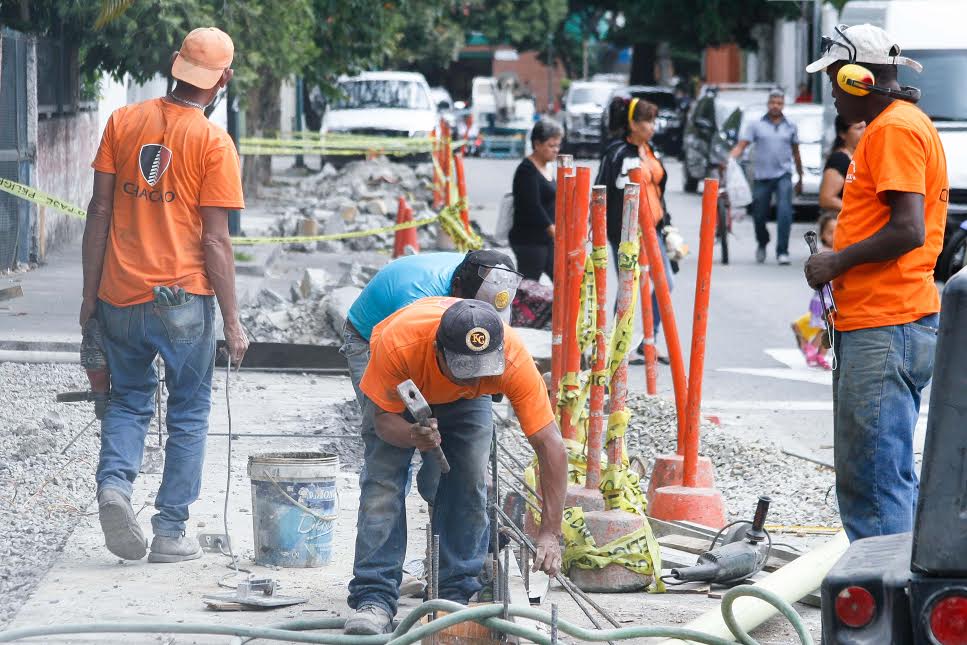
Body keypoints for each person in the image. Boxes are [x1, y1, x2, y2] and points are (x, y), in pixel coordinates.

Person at [81, 27, 247, 562]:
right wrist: (234, 319)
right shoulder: (214, 143)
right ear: (221, 80)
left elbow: (99, 212)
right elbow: (216, 239)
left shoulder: (123, 120)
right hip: (183, 298)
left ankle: (115, 488)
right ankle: (171, 533)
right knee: (189, 413)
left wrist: (90, 296)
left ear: (176, 66)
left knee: (128, 401)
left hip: (119, 293)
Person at [344, 297, 566, 635]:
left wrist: (551, 531)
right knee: (383, 486)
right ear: (438, 350)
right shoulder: (399, 344)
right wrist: (411, 435)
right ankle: (373, 597)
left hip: (466, 406)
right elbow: (382, 422)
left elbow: (550, 446)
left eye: (482, 373)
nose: (473, 381)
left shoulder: (511, 359)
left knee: (469, 479)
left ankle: (454, 595)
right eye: (464, 371)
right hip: (407, 387)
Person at [804, 23, 947, 541]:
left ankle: (885, 608)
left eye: (835, 81)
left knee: (874, 479)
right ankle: (883, 594)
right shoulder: (894, 126)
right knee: (875, 476)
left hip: (887, 325)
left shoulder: (893, 130)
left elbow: (908, 229)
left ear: (860, 78)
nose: (833, 93)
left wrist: (836, 262)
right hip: (884, 322)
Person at [340, 250, 521, 501]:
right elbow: (396, 401)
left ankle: (439, 501)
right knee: (388, 459)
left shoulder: (491, 283)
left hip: (441, 341)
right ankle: (392, 514)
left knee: (456, 451)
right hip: (373, 341)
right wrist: (415, 433)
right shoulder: (415, 304)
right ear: (456, 290)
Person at [596, 96, 680, 364]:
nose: (652, 127)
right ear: (632, 123)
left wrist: (667, 225)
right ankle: (619, 344)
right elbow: (601, 190)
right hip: (627, 231)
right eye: (647, 121)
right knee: (628, 286)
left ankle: (648, 340)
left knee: (666, 281)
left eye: (654, 121)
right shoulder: (617, 153)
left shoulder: (650, 149)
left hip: (653, 227)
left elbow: (657, 190)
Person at [730, 89, 804, 265]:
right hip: (762, 176)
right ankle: (762, 242)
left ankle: (782, 251)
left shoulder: (790, 126)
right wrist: (730, 159)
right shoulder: (756, 125)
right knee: (759, 215)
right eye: (773, 103)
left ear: (783, 105)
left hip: (783, 175)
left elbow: (796, 153)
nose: (775, 106)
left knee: (784, 212)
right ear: (768, 104)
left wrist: (800, 176)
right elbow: (742, 145)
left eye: (779, 103)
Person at [509, 119, 562, 281]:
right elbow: (532, 206)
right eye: (551, 146)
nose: (556, 150)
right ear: (537, 144)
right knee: (528, 287)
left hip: (546, 240)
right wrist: (551, 227)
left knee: (561, 279)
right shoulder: (526, 170)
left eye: (557, 146)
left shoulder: (547, 167)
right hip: (529, 240)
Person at [791, 213, 837, 369]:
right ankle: (815, 352)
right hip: (823, 299)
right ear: (822, 234)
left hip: (834, 298)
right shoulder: (822, 252)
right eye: (830, 232)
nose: (834, 236)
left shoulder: (842, 251)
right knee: (825, 328)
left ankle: (818, 353)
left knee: (828, 329)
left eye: (837, 231)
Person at [818, 116, 866, 215]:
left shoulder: (860, 157)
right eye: (859, 128)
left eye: (866, 127)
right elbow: (826, 198)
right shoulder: (839, 159)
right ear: (843, 134)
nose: (865, 131)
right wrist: (858, 211)